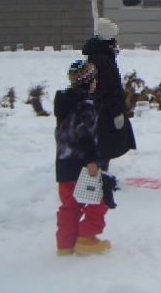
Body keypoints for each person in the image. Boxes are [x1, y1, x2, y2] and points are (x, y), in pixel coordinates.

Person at [54, 60, 111, 256]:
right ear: (89, 81)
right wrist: (91, 160)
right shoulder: (86, 105)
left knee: (69, 205)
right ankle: (86, 237)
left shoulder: (64, 103)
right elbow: (84, 133)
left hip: (63, 163)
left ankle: (65, 244)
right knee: (100, 198)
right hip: (82, 163)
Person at [82, 18, 136, 170]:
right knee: (105, 145)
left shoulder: (98, 55)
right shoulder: (103, 59)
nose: (117, 39)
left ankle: (100, 175)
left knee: (103, 144)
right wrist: (116, 111)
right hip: (105, 111)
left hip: (100, 108)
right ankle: (99, 178)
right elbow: (108, 88)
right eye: (115, 36)